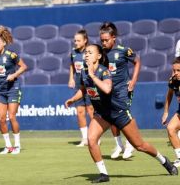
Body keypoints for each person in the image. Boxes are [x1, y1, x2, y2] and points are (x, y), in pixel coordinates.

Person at [65, 44, 178, 183]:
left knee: (139, 145)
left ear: (99, 56)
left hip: (118, 112)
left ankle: (163, 160)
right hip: (102, 114)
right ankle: (103, 174)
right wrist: (73, 99)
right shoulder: (84, 71)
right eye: (85, 52)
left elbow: (107, 89)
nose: (86, 54)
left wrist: (93, 76)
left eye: (90, 52)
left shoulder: (104, 71)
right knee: (91, 140)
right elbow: (83, 90)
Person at [100, 22, 139, 159]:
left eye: (106, 40)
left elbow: (137, 62)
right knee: (112, 118)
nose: (104, 43)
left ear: (113, 38)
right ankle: (119, 144)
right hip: (108, 90)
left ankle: (130, 144)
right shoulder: (101, 53)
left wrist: (133, 81)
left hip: (123, 89)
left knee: (123, 116)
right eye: (102, 40)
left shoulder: (123, 50)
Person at [0, 25, 27, 155]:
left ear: (4, 43)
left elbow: (23, 67)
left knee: (11, 116)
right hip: (1, 90)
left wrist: (14, 75)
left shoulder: (12, 55)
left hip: (13, 89)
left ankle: (17, 145)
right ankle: (8, 146)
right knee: (1, 118)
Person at [68, 29, 94, 147]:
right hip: (78, 85)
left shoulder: (90, 52)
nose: (76, 42)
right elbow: (72, 66)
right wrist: (71, 78)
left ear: (85, 41)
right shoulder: (73, 53)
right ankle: (84, 138)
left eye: (78, 40)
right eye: (75, 40)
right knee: (79, 112)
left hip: (89, 84)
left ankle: (94, 137)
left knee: (91, 110)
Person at [161, 57, 180, 167]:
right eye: (174, 70)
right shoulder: (173, 80)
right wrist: (165, 112)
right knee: (171, 128)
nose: (175, 73)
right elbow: (169, 95)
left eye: (178, 70)